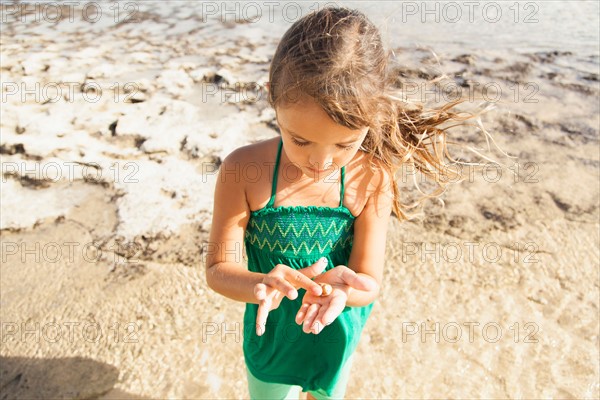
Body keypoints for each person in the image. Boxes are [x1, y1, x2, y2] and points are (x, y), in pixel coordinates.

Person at [206, 6, 496, 399]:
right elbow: (219, 268)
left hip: (335, 331)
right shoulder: (243, 170)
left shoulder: (372, 178)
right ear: (273, 98)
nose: (321, 163)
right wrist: (260, 283)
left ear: (371, 117)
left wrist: (344, 293)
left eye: (345, 143)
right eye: (301, 140)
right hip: (271, 336)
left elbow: (368, 282)